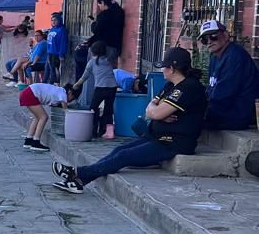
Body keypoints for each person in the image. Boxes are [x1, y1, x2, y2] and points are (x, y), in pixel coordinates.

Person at [53, 46, 207, 193]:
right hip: (156, 137)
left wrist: (157, 111)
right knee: (119, 150)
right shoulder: (170, 86)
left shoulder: (188, 87)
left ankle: (76, 173)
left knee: (124, 156)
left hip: (173, 143)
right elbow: (150, 109)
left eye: (164, 67)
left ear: (172, 69)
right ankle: (79, 181)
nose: (162, 70)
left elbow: (155, 113)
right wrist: (156, 110)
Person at [199, 19, 259, 130]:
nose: (209, 41)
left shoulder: (235, 56)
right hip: (223, 110)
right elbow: (211, 90)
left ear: (226, 35)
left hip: (238, 114)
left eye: (213, 36)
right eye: (204, 39)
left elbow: (223, 95)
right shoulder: (215, 57)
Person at [70, 40, 117, 139]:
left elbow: (84, 77)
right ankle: (107, 131)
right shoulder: (108, 61)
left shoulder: (92, 62)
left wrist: (76, 85)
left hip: (101, 87)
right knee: (108, 109)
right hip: (112, 87)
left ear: (93, 51)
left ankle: (93, 131)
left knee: (93, 108)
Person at [19, 82, 75, 151]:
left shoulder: (58, 90)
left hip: (27, 93)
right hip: (31, 94)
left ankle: (28, 140)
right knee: (44, 117)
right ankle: (36, 142)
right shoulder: (63, 93)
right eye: (72, 98)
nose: (70, 100)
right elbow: (65, 110)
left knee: (37, 118)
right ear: (70, 92)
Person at [91, 0, 125, 66]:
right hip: (115, 47)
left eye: (99, 4)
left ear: (103, 2)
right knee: (109, 69)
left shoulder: (103, 15)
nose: (99, 6)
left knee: (99, 69)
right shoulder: (119, 12)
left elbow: (96, 30)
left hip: (104, 48)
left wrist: (93, 24)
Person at [46, 12, 68, 82]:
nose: (53, 22)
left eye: (55, 20)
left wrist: (61, 54)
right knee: (51, 69)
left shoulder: (62, 30)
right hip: (50, 52)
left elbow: (63, 43)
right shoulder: (52, 29)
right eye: (52, 20)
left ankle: (56, 82)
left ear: (59, 20)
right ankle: (53, 82)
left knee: (55, 69)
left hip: (56, 53)